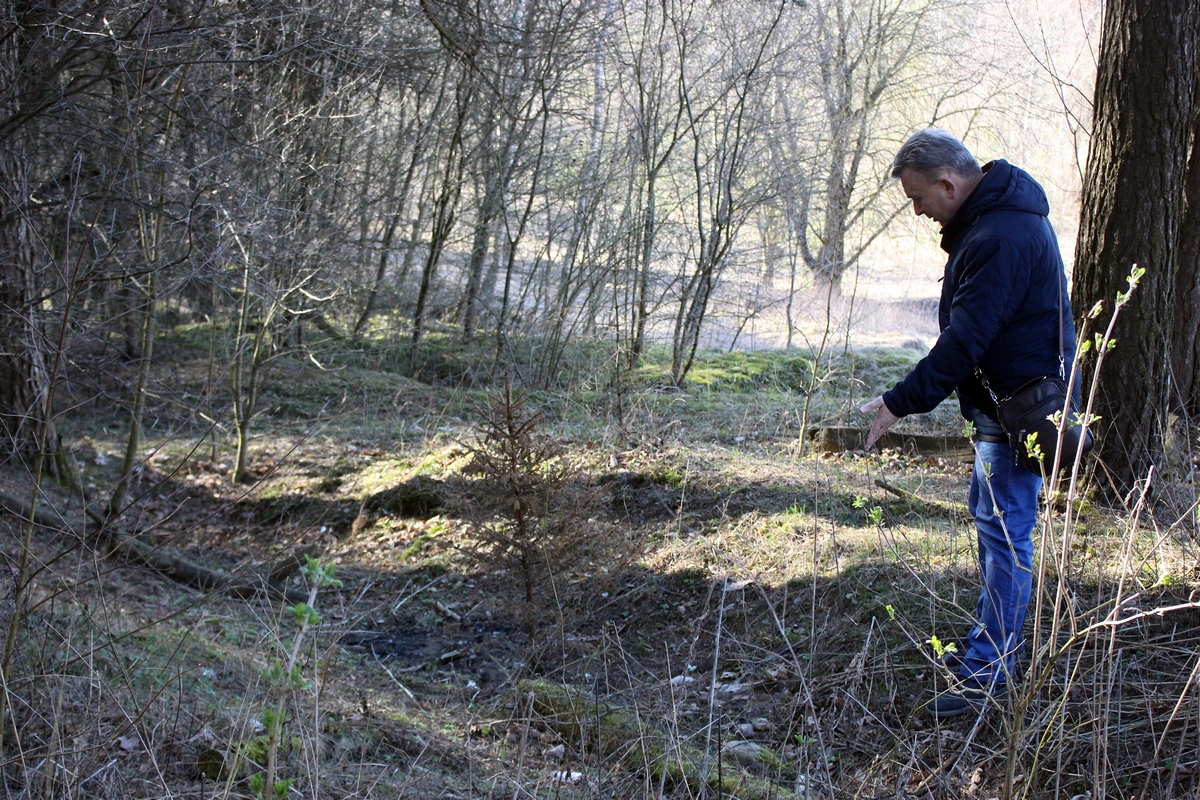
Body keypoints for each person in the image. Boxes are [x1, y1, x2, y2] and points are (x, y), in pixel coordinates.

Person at [860, 128, 1078, 718]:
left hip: (1021, 414)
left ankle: (988, 676)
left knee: (1007, 543)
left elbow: (965, 341)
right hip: (1005, 411)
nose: (918, 210)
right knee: (997, 534)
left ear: (948, 183)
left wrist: (898, 401)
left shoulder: (1001, 234)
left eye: (918, 197)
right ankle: (992, 650)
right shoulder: (994, 224)